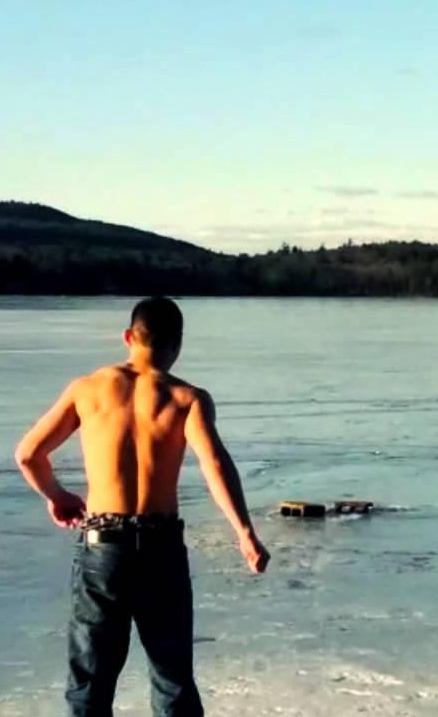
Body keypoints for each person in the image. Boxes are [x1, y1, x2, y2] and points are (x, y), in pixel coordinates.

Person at [14, 296, 269, 717]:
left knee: (90, 683)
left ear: (129, 337)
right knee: (171, 681)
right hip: (160, 546)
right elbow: (215, 464)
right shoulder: (187, 398)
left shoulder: (87, 389)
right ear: (178, 343)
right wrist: (245, 533)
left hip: (103, 546)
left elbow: (28, 455)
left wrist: (57, 496)